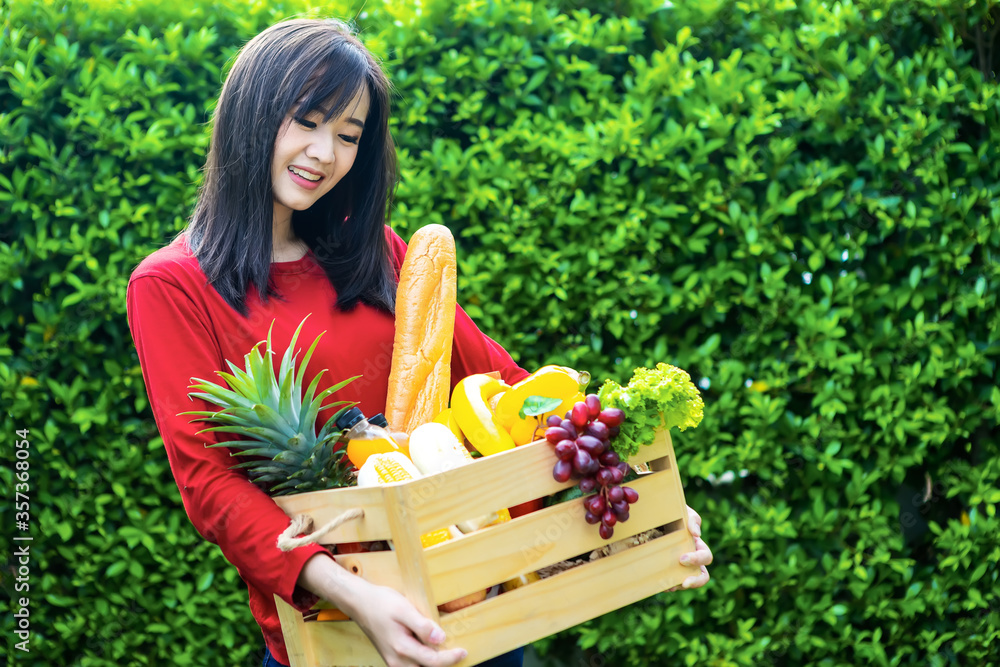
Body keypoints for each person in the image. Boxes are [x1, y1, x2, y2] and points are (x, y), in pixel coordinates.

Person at [125, 17, 712, 667]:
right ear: (251, 110)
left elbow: (509, 388)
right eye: (308, 119)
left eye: (348, 135)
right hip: (340, 631)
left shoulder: (376, 251)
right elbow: (211, 484)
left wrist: (644, 509)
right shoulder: (172, 286)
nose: (325, 152)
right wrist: (356, 596)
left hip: (475, 610)